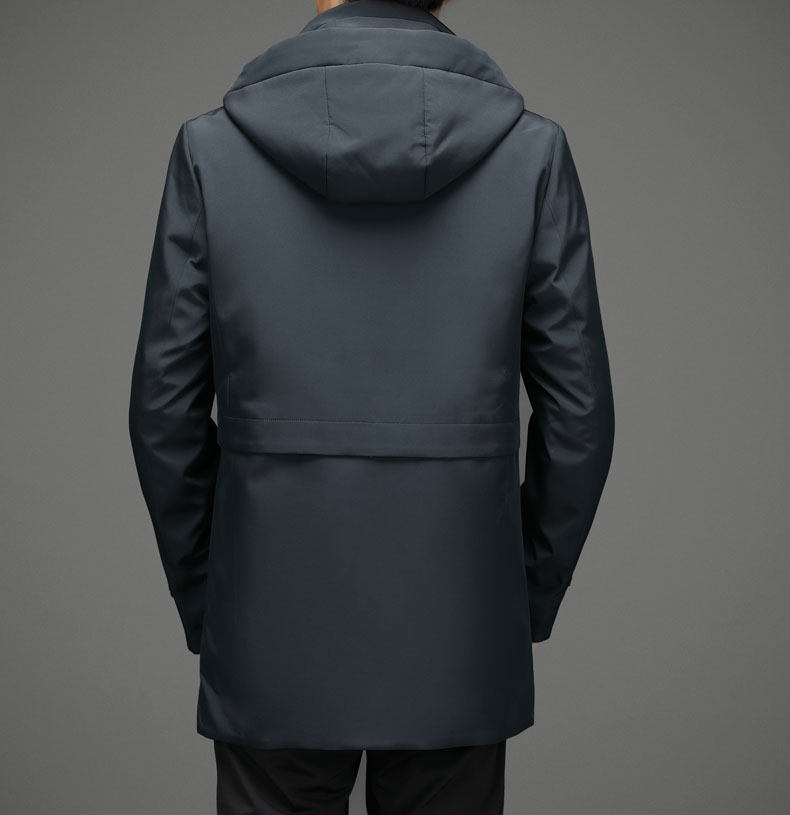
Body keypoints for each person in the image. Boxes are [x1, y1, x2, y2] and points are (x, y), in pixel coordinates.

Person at [128, 0, 616, 811]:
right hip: (459, 622)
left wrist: (215, 599)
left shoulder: (211, 151)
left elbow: (164, 412)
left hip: (270, 617)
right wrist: (519, 596)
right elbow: (580, 416)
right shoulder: (531, 153)